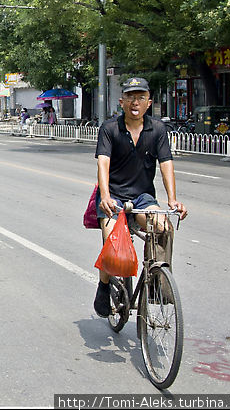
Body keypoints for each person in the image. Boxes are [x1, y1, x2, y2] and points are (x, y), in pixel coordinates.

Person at [93, 77, 188, 317]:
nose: (136, 102)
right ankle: (104, 287)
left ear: (149, 102)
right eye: (131, 97)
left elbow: (166, 163)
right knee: (113, 246)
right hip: (113, 196)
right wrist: (105, 196)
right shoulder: (110, 128)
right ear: (121, 102)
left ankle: (156, 280)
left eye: (141, 97)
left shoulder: (157, 129)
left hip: (143, 197)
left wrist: (173, 199)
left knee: (163, 229)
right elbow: (103, 163)